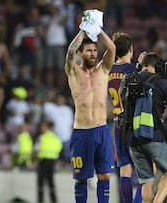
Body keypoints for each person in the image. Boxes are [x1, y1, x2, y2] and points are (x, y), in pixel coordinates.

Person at [122, 52, 167, 203]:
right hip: (153, 136)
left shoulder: (128, 80)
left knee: (147, 180)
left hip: (133, 139)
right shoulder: (161, 82)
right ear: (157, 66)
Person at [64, 18, 116, 202]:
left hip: (101, 130)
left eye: (95, 50)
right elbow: (70, 52)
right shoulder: (73, 72)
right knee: (81, 178)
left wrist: (99, 30)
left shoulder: (103, 70)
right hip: (81, 132)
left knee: (105, 176)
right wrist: (83, 30)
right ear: (81, 53)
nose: (93, 53)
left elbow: (112, 49)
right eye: (89, 50)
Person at [108, 31, 143, 203]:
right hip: (135, 123)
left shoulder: (109, 70)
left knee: (125, 168)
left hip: (117, 124)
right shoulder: (134, 69)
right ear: (131, 49)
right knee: (146, 169)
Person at [34, 120, 63, 203]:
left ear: (46, 127)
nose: (41, 128)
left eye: (42, 126)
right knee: (51, 182)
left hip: (43, 161)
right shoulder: (56, 138)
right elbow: (59, 149)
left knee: (40, 182)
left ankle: (40, 200)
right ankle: (53, 200)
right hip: (52, 161)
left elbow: (36, 149)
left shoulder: (42, 137)